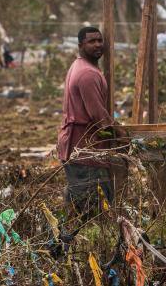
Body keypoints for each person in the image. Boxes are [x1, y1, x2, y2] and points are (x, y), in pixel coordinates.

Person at [56, 26, 120, 217]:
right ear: (81, 45)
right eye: (92, 41)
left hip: (77, 146)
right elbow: (98, 116)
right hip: (85, 148)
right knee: (92, 205)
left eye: (100, 40)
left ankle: (69, 238)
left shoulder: (81, 67)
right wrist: (122, 134)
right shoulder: (88, 74)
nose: (98, 45)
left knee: (79, 202)